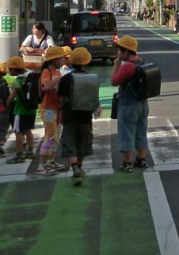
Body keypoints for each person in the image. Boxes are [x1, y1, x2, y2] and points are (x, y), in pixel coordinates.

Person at [57, 47, 101, 186]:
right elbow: (95, 97)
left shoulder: (66, 79)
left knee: (69, 142)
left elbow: (61, 98)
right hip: (86, 116)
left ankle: (74, 167)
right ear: (86, 62)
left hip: (69, 116)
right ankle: (80, 168)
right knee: (82, 143)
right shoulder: (92, 78)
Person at [110, 35, 149, 173]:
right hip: (143, 104)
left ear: (126, 51)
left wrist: (116, 65)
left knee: (126, 132)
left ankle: (128, 162)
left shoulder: (127, 66)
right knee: (141, 131)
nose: (118, 53)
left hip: (129, 104)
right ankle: (142, 159)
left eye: (120, 50)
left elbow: (114, 81)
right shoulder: (142, 61)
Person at [36, 46, 65, 175]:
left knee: (55, 135)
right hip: (48, 109)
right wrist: (58, 79)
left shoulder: (57, 72)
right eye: (61, 57)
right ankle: (41, 165)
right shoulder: (47, 72)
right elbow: (46, 87)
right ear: (54, 60)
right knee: (50, 136)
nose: (63, 59)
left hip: (57, 108)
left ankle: (50, 161)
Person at [5, 57, 37, 164]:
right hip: (31, 110)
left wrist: (7, 103)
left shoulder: (16, 82)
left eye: (10, 68)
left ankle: (19, 155)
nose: (9, 71)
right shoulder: (30, 79)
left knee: (18, 132)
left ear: (14, 69)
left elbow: (11, 97)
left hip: (20, 110)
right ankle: (30, 151)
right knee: (28, 130)